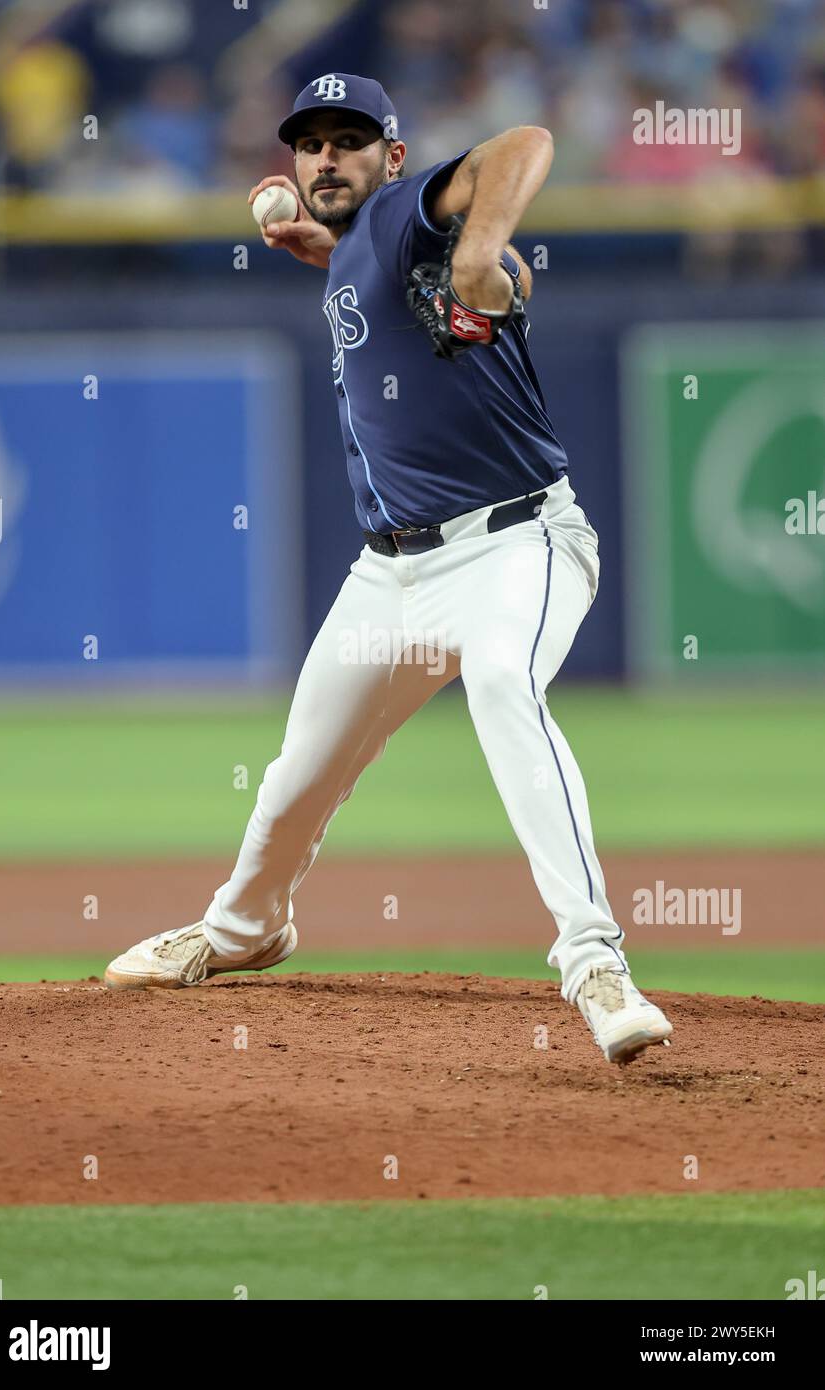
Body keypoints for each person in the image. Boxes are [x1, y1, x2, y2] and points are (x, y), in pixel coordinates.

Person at [105, 73, 673, 1066]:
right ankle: (243, 930)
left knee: (503, 685)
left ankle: (593, 961)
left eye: (350, 140)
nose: (327, 157)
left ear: (393, 159)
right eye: (311, 142)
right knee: (294, 779)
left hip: (516, 545)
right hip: (389, 576)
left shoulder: (414, 216)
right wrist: (320, 250)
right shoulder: (359, 250)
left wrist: (484, 250)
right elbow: (373, 275)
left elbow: (524, 142)